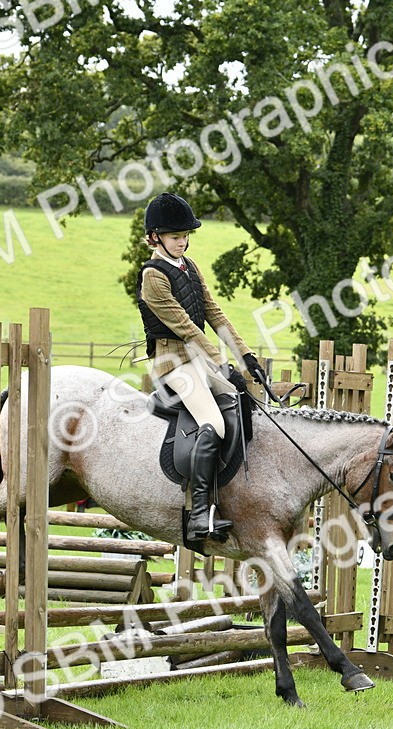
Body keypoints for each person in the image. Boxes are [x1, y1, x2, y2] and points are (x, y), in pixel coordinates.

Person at [135, 192, 266, 551]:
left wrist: (246, 356)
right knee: (215, 424)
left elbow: (213, 313)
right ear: (155, 237)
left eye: (185, 235)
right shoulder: (152, 276)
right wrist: (221, 363)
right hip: (172, 362)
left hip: (197, 360)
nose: (183, 241)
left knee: (239, 403)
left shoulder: (189, 266)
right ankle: (198, 513)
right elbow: (185, 328)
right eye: (175, 236)